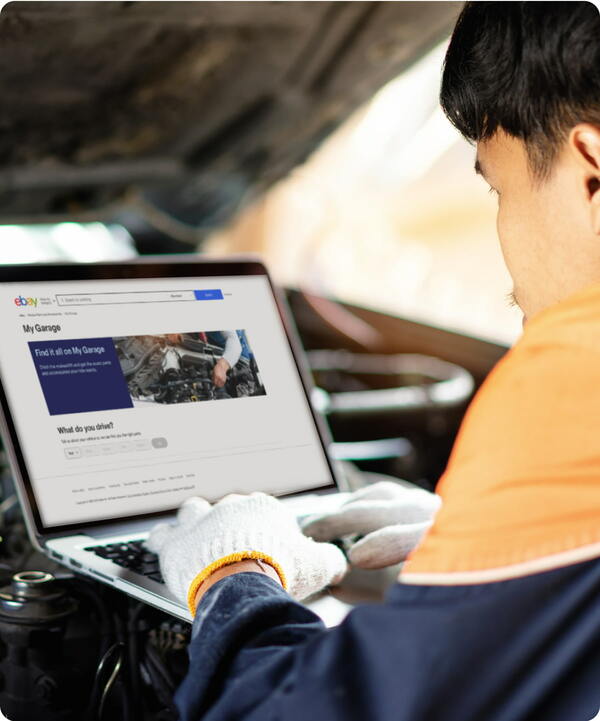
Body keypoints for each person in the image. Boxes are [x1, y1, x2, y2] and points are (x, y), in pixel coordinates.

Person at [147, 4, 600, 720]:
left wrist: (231, 577)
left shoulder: (575, 380)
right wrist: (493, 550)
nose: (504, 255)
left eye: (499, 188)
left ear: (591, 172)